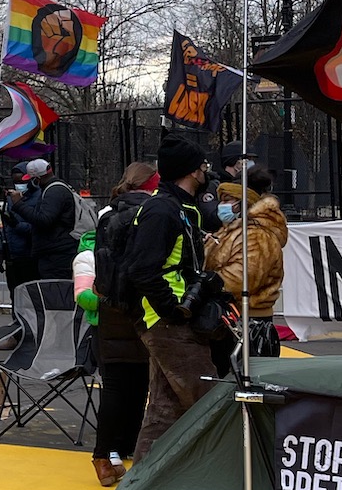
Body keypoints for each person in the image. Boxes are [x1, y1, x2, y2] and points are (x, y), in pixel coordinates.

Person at [121, 135, 220, 464]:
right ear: (193, 172)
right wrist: (174, 309)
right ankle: (221, 479)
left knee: (163, 411)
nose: (207, 170)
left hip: (166, 320)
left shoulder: (178, 208)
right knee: (210, 403)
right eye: (203, 165)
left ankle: (141, 484)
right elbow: (142, 269)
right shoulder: (163, 211)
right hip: (168, 322)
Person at [88, 161, 159, 488]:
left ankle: (104, 455)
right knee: (141, 382)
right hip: (142, 306)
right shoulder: (152, 214)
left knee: (115, 386)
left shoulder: (106, 215)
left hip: (110, 306)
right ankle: (125, 447)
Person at [205, 166, 289, 358]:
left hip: (250, 323)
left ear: (242, 203)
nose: (221, 205)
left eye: (228, 200)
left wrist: (207, 282)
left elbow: (244, 277)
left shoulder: (257, 235)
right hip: (232, 318)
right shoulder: (233, 230)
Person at [23, 157, 79, 280]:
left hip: (57, 255)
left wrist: (19, 205)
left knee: (55, 292)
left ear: (37, 179)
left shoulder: (54, 191)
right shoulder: (56, 188)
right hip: (56, 251)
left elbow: (44, 220)